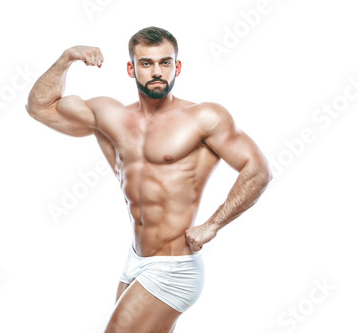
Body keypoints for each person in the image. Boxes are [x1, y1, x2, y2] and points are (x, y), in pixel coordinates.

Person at [25, 26, 272, 333]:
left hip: (174, 265)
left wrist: (213, 225)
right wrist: (66, 58)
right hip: (136, 258)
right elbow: (39, 107)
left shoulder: (204, 118)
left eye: (165, 62)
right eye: (146, 63)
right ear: (131, 68)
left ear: (177, 67)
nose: (157, 71)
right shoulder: (109, 115)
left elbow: (258, 170)